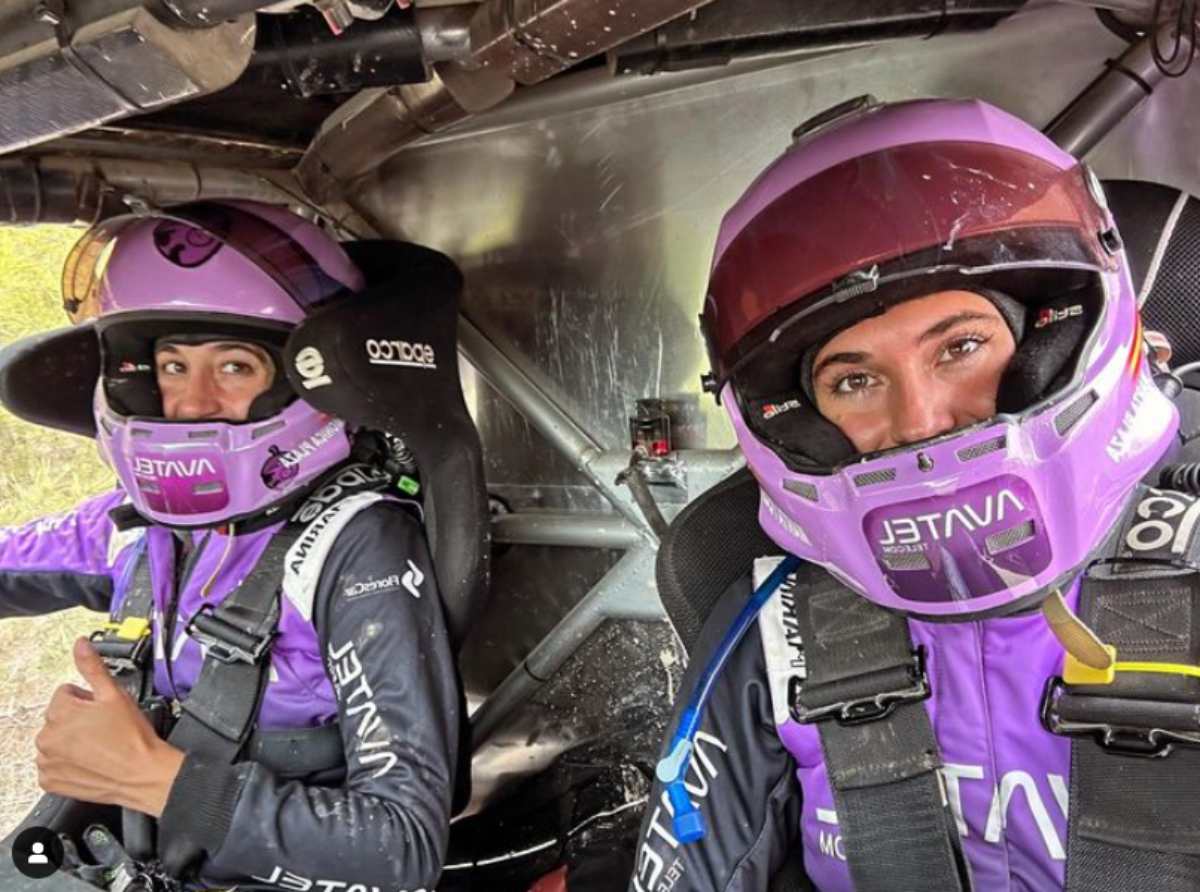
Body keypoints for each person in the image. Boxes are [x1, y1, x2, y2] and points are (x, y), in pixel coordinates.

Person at [629, 97, 1200, 891]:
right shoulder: (775, 625)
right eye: (855, 380)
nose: (922, 423)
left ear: (1055, 341)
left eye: (961, 346)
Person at [0, 200, 462, 890]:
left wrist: (159, 782)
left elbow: (403, 849)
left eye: (235, 367)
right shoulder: (138, 528)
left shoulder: (356, 545)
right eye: (172, 366)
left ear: (304, 379)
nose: (191, 403)